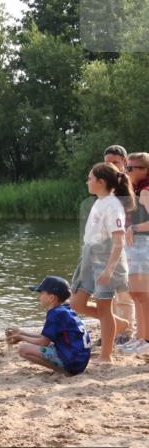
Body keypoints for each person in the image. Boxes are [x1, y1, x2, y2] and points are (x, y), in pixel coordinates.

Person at [69, 162, 134, 364]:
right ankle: (119, 323)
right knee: (76, 304)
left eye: (90, 178)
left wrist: (109, 269)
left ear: (101, 181)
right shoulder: (99, 201)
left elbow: (118, 240)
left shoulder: (113, 205)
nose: (87, 181)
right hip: (90, 254)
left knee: (104, 309)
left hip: (105, 259)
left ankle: (106, 356)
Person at [6, 276, 91, 375]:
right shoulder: (64, 310)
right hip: (79, 360)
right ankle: (65, 369)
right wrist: (22, 332)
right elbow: (46, 338)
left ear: (51, 298)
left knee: (23, 349)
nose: (39, 296)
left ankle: (64, 371)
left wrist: (21, 337)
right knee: (33, 346)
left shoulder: (55, 314)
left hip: (72, 362)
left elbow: (43, 342)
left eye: (41, 293)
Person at [102, 145, 136, 346]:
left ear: (124, 161)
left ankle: (127, 331)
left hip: (129, 242)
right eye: (107, 163)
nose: (111, 166)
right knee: (108, 292)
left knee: (124, 291)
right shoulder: (104, 185)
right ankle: (113, 329)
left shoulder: (130, 184)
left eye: (115, 162)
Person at [120, 152, 149, 354]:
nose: (126, 171)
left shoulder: (146, 191)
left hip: (143, 246)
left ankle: (145, 340)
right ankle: (140, 337)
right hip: (135, 246)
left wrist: (133, 229)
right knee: (136, 294)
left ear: (145, 170)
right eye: (126, 167)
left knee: (143, 296)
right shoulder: (137, 190)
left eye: (130, 168)